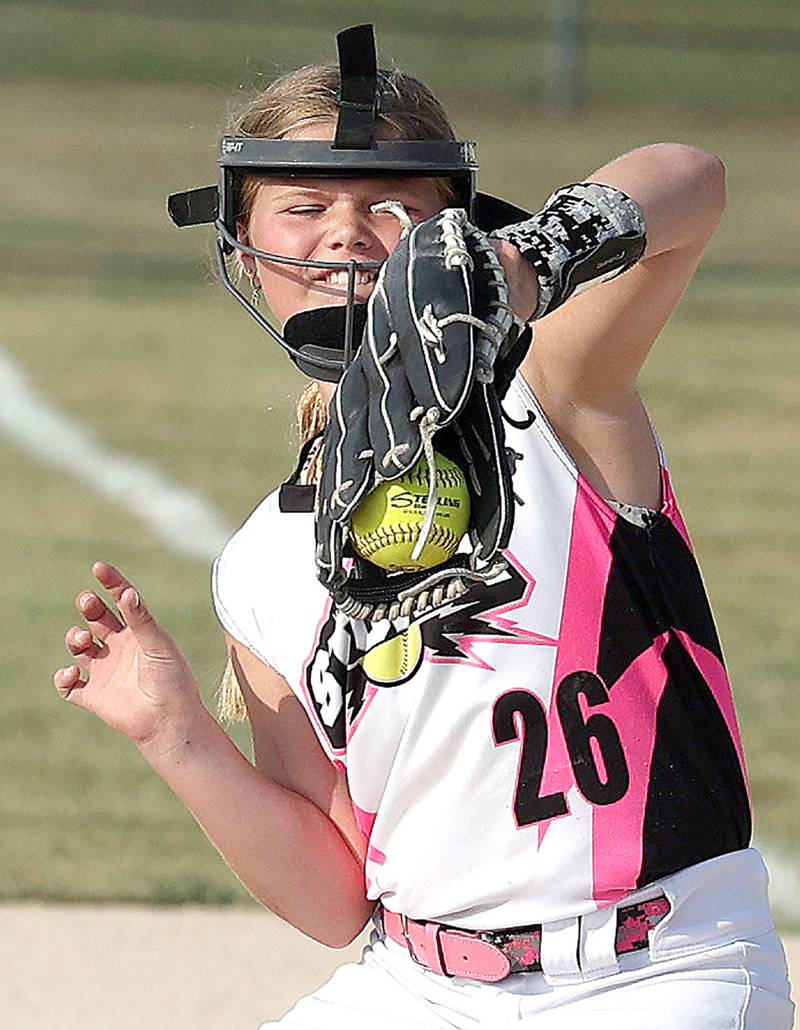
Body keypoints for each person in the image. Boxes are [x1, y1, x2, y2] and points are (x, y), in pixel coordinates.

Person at [54, 25, 794, 1029]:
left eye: (392, 210)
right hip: (414, 987)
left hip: (656, 973)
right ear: (245, 247)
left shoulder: (547, 389)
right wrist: (175, 733)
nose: (346, 234)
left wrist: (527, 266)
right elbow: (330, 896)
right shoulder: (262, 562)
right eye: (305, 206)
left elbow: (689, 180)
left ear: (458, 228)